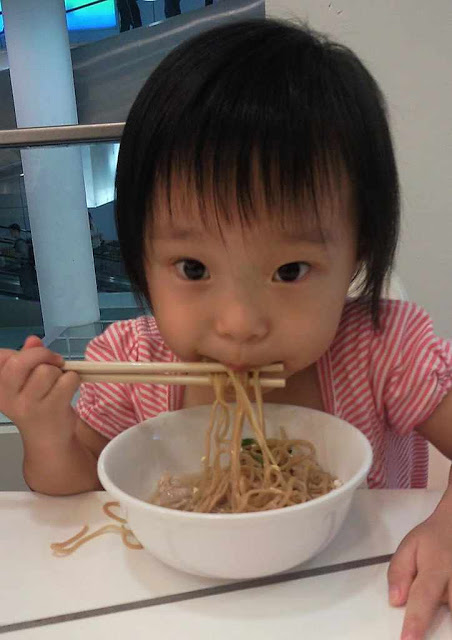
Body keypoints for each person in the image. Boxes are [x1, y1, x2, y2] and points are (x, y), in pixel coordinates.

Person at [0, 19, 451, 639]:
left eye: (290, 269)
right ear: (139, 255)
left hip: (359, 602)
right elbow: (72, 478)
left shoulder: (381, 349)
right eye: (193, 268)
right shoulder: (134, 360)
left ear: (359, 254)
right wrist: (45, 431)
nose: (239, 324)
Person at [6, 223, 38, 299]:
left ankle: (31, 298)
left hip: (25, 268)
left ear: (16, 231)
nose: (11, 234)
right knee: (28, 285)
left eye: (11, 232)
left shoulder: (20, 242)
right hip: (26, 268)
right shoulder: (21, 241)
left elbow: (23, 255)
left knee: (27, 285)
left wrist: (14, 255)